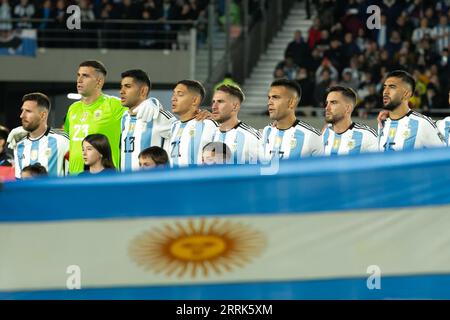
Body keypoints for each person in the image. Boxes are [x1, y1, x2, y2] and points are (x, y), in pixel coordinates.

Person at [63, 60, 159, 175]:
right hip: (75, 178)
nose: (79, 80)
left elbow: (139, 106)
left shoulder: (114, 105)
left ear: (99, 82)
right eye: (78, 75)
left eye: (85, 76)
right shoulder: (73, 108)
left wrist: (153, 102)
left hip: (104, 178)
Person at [120, 69, 176, 171]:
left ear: (143, 91)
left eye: (128, 86)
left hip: (151, 184)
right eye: (122, 86)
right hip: (126, 184)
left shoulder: (157, 115)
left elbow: (184, 129)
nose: (121, 91)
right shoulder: (124, 118)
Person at [378, 70, 445, 151]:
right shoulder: (382, 123)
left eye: (392, 87)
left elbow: (443, 156)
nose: (385, 92)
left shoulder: (422, 123)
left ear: (406, 94)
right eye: (385, 87)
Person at [261, 79, 323, 161]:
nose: (269, 102)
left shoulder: (312, 136)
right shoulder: (266, 131)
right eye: (269, 98)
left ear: (291, 103)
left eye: (275, 97)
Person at [13, 93, 69, 178]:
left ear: (43, 115)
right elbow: (19, 180)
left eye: (28, 111)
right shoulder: (19, 145)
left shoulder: (62, 139)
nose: (22, 115)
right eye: (22, 110)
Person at [169, 80, 218, 167]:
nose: (173, 98)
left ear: (195, 100)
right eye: (174, 94)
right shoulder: (173, 126)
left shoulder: (208, 125)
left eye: (180, 94)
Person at [211, 84, 261, 164]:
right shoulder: (209, 132)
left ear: (235, 106)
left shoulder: (251, 137)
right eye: (213, 102)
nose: (214, 106)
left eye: (220, 101)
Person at [322, 86, 378, 155]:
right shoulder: (325, 132)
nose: (327, 108)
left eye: (333, 102)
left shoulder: (367, 135)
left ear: (348, 108)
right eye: (327, 103)